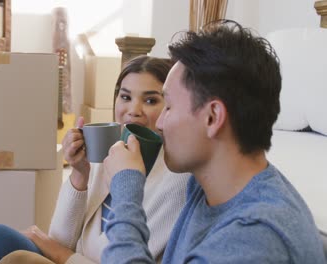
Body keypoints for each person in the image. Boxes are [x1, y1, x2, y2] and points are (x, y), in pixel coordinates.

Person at [101, 20, 326, 263]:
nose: (159, 124)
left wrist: (125, 190)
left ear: (213, 117)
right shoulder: (209, 186)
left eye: (169, 106)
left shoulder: (254, 239)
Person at [0, 55, 191, 264]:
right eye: (126, 97)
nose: (133, 109)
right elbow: (61, 239)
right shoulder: (109, 153)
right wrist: (80, 174)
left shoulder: (177, 180)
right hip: (69, 258)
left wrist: (57, 252)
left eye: (150, 100)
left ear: (168, 108)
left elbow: (119, 258)